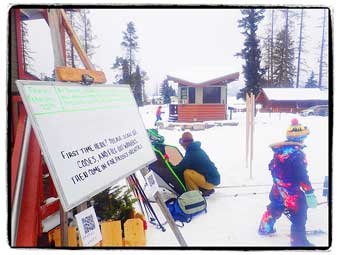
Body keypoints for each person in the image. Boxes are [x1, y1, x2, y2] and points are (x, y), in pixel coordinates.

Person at [258, 118, 318, 247]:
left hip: (278, 187)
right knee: (299, 213)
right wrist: (309, 191)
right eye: (305, 137)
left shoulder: (279, 151)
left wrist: (279, 182)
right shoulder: (297, 154)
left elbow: (273, 168)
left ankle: (265, 227)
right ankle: (299, 242)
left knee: (276, 205)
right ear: (301, 138)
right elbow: (302, 175)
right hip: (291, 191)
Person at [169, 131, 220, 197]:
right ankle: (205, 189)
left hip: (210, 182)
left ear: (185, 144)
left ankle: (194, 195)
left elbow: (178, 169)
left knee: (187, 173)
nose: (182, 146)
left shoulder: (191, 154)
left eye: (183, 144)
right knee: (192, 171)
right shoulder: (195, 149)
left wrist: (168, 164)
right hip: (213, 179)